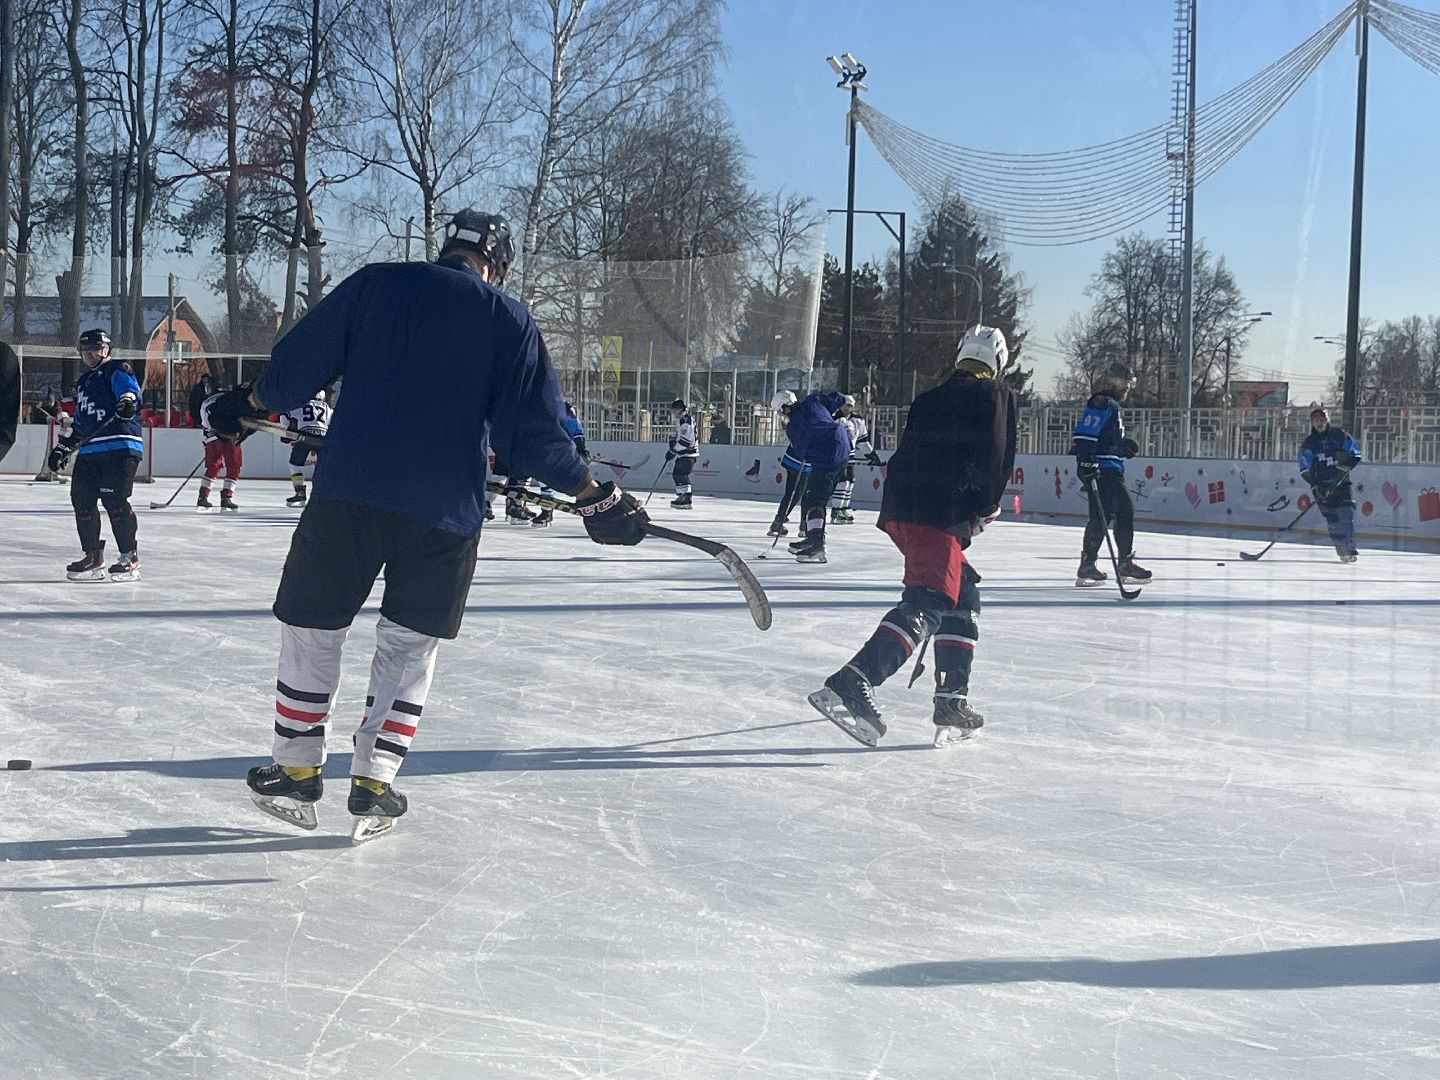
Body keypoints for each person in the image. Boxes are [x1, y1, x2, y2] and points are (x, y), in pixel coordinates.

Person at [201, 209, 649, 842]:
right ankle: (374, 780)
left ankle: (297, 770)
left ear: (446, 250)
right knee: (409, 645)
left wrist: (244, 405)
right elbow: (533, 437)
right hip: (444, 514)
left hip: (349, 495)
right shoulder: (508, 319)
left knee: (312, 624)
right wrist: (593, 494)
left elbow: (298, 367)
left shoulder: (377, 283)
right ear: (498, 264)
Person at [809, 326, 1017, 748]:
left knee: (964, 592)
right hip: (939, 512)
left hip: (903, 509)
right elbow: (996, 457)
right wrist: (985, 505)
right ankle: (856, 678)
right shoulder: (995, 395)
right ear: (997, 362)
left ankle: (951, 699)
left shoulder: (928, 397)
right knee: (931, 599)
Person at [51, 330, 145, 581]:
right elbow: (81, 422)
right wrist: (65, 446)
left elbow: (131, 392)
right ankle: (93, 556)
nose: (90, 354)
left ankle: (129, 557)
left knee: (114, 500)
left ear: (107, 349)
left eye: (96, 348)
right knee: (81, 499)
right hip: (91, 449)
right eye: (86, 350)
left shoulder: (117, 369)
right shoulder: (84, 382)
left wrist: (127, 400)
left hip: (120, 446)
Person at [1072, 362, 1150, 587]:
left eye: (1129, 382)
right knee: (1125, 510)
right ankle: (1124, 562)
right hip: (1103, 471)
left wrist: (1121, 446)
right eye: (1125, 381)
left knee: (1101, 518)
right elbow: (1086, 434)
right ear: (1112, 380)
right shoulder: (1102, 403)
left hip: (1108, 467)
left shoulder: (1111, 405)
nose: (1128, 387)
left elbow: (1104, 438)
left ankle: (1088, 565)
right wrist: (1085, 460)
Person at [785, 390, 851, 563]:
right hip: (843, 444)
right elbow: (839, 398)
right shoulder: (813, 400)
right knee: (814, 498)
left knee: (815, 500)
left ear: (785, 409)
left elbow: (800, 454)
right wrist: (829, 416)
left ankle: (816, 547)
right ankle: (811, 538)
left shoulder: (794, 426)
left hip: (828, 456)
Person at [1299, 404, 1362, 562]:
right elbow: (1304, 468)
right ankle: (1341, 550)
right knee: (1332, 520)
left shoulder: (1340, 436)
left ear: (1327, 420)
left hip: (1342, 484)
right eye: (1316, 420)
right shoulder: (1308, 443)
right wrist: (1315, 485)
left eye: (1322, 419)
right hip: (1321, 486)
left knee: (1347, 515)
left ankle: (1350, 548)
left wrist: (1341, 472)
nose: (1319, 422)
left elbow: (1355, 455)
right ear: (1312, 422)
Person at [829, 395, 882, 524]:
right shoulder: (833, 418)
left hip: (850, 455)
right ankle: (836, 510)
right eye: (846, 405)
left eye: (850, 406)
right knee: (841, 483)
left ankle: (843, 509)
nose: (848, 408)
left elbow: (862, 441)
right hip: (837, 455)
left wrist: (871, 455)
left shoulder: (857, 421)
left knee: (850, 482)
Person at [197, 390, 244, 511]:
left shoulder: (210, 401)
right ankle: (220, 497)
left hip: (224, 434)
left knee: (227, 464)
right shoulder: (231, 401)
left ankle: (206, 496)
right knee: (226, 464)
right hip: (218, 434)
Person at [284, 389, 332, 506]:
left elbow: (285, 416)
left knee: (294, 465)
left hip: (305, 436)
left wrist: (288, 430)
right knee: (325, 468)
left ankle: (300, 493)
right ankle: (325, 495)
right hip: (322, 438)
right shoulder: (327, 407)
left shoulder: (302, 404)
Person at [768, 390, 803, 536]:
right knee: (797, 492)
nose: (782, 415)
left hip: (799, 459)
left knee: (797, 492)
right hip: (798, 460)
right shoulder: (796, 419)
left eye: (781, 411)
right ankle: (781, 522)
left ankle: (781, 521)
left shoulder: (799, 417)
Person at [666, 398, 699, 508]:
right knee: (677, 474)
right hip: (683, 454)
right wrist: (672, 441)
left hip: (688, 454)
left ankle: (686, 497)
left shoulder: (687, 422)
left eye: (675, 411)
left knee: (681, 474)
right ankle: (682, 496)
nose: (674, 414)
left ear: (681, 410)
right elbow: (677, 434)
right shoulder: (680, 421)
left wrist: (673, 450)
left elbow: (686, 441)